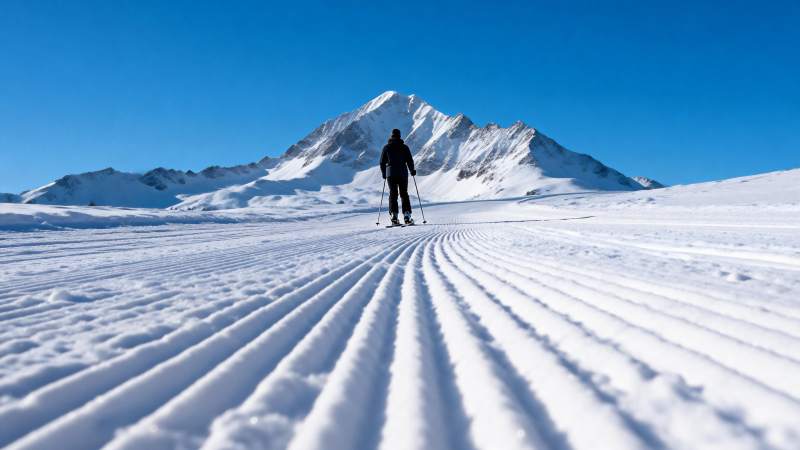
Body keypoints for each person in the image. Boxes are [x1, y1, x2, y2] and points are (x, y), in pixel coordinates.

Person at [379, 128, 416, 225]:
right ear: (399, 136)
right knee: (404, 194)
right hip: (402, 173)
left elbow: (382, 162)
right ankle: (407, 216)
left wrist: (384, 173)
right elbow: (409, 160)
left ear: (391, 136)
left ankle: (394, 217)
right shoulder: (404, 147)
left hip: (390, 174)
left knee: (393, 194)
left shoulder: (386, 147)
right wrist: (412, 170)